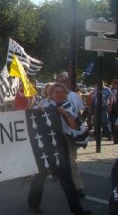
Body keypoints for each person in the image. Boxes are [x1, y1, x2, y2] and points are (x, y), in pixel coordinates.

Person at [28, 83, 91, 215]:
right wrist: (36, 111)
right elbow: (31, 119)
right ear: (51, 94)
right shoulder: (44, 105)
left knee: (67, 179)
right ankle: (33, 205)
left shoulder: (68, 106)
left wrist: (65, 114)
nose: (59, 94)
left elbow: (75, 126)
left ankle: (78, 210)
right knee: (40, 176)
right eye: (56, 92)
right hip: (45, 146)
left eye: (62, 92)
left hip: (61, 146)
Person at [56, 74, 86, 198]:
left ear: (68, 82)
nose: (62, 82)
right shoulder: (54, 97)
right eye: (60, 81)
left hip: (71, 133)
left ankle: (77, 187)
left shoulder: (75, 96)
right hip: (58, 133)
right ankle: (69, 184)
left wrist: (79, 129)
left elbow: (80, 112)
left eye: (64, 80)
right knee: (62, 161)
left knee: (71, 161)